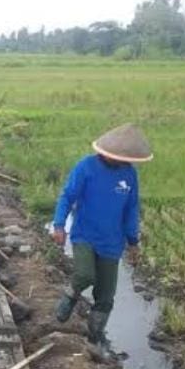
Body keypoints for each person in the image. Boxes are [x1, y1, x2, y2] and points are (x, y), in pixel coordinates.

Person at [51, 123, 152, 345]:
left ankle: (95, 337)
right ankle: (70, 296)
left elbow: (131, 208)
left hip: (112, 243)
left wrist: (133, 241)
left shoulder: (129, 174)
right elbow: (67, 196)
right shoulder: (86, 167)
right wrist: (59, 225)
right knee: (85, 275)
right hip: (85, 235)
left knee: (106, 296)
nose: (124, 161)